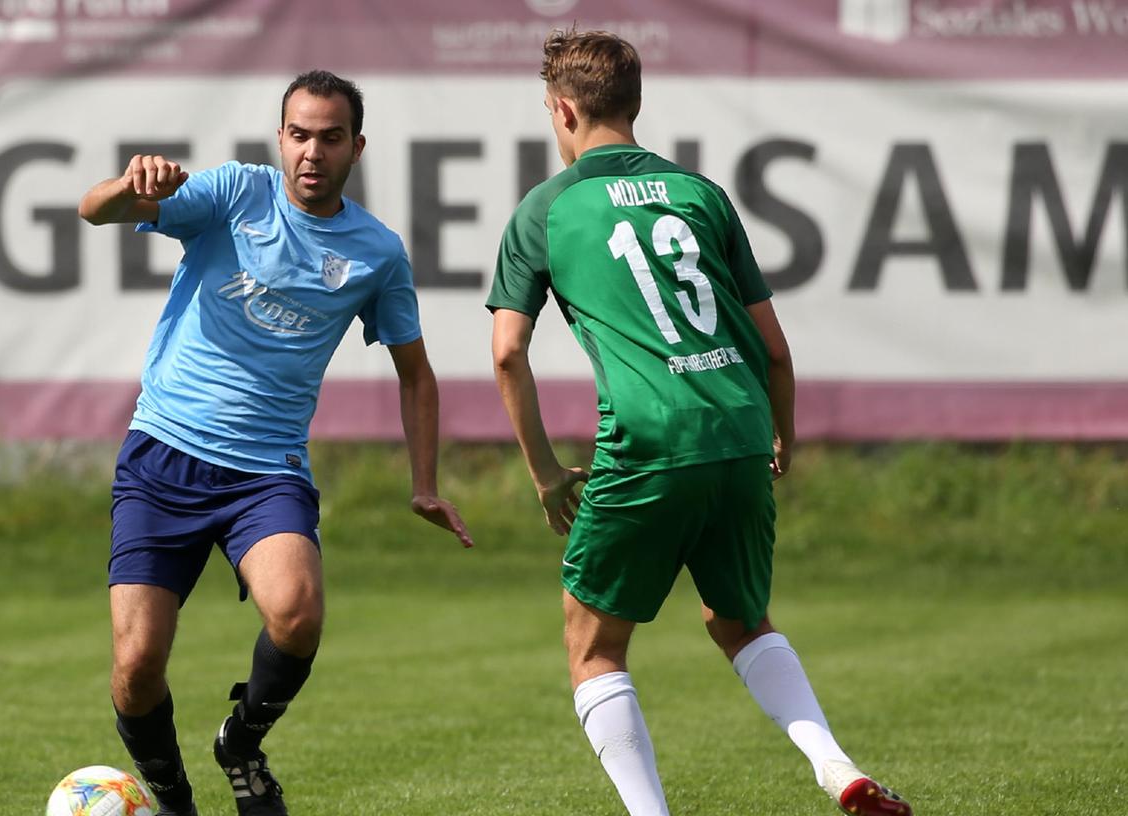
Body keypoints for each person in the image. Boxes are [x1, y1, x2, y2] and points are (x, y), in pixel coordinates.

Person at [487, 29, 912, 816]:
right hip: (740, 427)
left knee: (592, 643)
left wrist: (546, 472)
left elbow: (508, 354)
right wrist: (780, 435)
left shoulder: (545, 208)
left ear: (563, 110)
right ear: (635, 105)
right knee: (739, 619)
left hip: (648, 439)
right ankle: (834, 764)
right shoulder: (700, 195)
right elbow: (774, 351)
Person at [78, 70, 473, 816]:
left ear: (356, 147)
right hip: (163, 455)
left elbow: (416, 375)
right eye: (298, 134)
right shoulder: (233, 193)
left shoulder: (376, 253)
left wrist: (423, 481)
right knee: (135, 666)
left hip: (267, 471)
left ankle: (241, 741)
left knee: (296, 614)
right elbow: (92, 210)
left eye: (329, 138)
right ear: (279, 137)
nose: (311, 152)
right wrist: (132, 184)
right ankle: (173, 799)